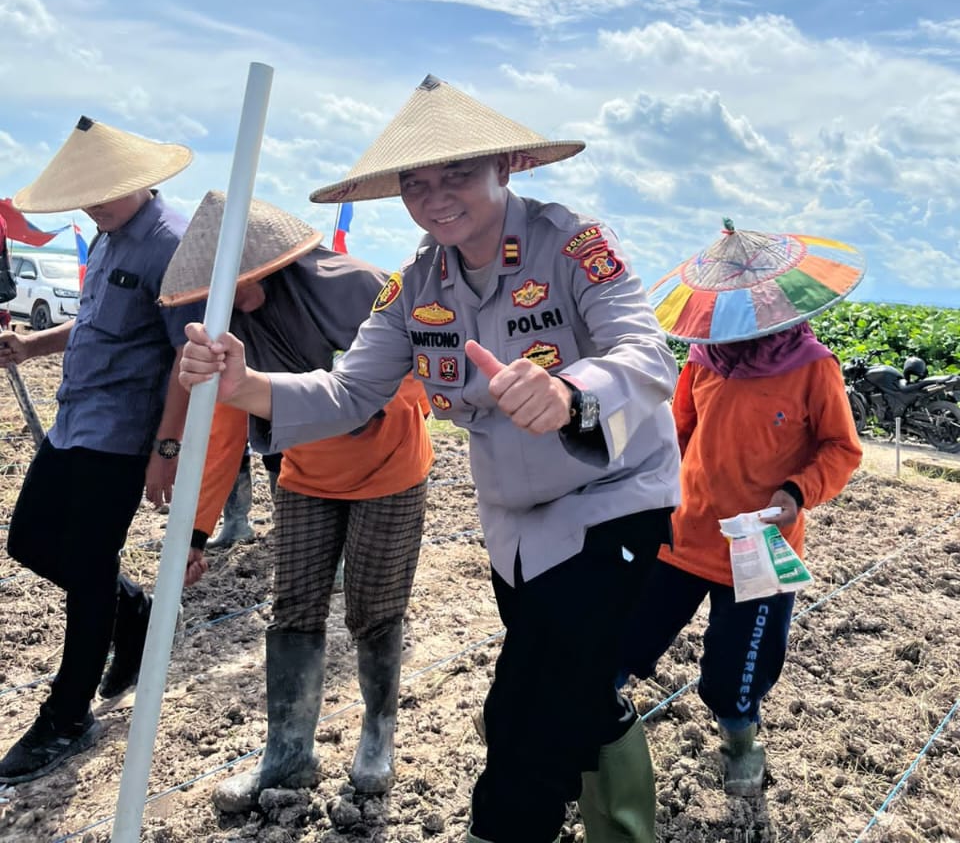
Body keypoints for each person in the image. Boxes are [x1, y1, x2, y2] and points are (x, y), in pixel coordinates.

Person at [179, 74, 682, 843]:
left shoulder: (575, 243)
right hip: (515, 525)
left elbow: (647, 352)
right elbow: (350, 393)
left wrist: (572, 392)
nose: (436, 196)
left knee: (521, 713)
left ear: (505, 168)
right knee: (568, 685)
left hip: (614, 497)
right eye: (417, 183)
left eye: (457, 175)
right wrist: (245, 386)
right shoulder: (415, 287)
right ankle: (626, 825)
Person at [159, 192, 434, 808]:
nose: (235, 293)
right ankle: (287, 753)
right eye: (219, 286)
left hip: (389, 469)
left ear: (274, 260)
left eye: (244, 279)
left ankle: (376, 738)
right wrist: (195, 533)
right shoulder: (228, 329)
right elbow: (227, 427)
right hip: (306, 475)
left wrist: (376, 404)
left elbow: (423, 372)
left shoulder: (360, 285)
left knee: (374, 607)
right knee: (293, 609)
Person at [619, 220, 864, 794]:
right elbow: (678, 436)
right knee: (626, 638)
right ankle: (595, 726)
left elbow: (842, 449)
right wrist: (647, 495)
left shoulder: (812, 366)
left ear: (776, 302)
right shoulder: (703, 361)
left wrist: (797, 493)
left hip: (762, 543)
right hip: (683, 533)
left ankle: (740, 738)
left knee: (737, 668)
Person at [0, 117, 196, 785]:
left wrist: (166, 448)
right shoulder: (108, 239)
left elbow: (184, 358)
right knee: (27, 540)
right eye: (83, 194)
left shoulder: (169, 245)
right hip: (74, 420)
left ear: (142, 178)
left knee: (87, 571)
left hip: (123, 435)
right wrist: (32, 344)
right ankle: (131, 609)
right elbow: (93, 327)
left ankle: (67, 716)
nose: (93, 204)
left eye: (104, 191)